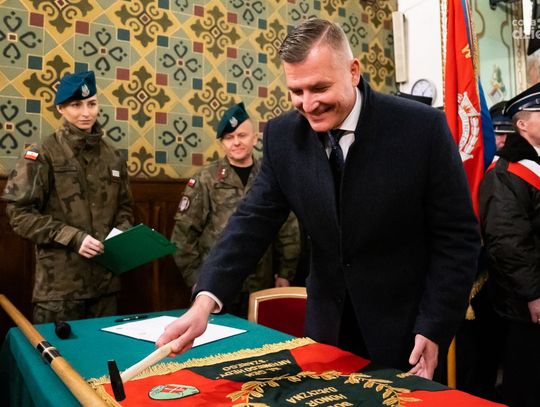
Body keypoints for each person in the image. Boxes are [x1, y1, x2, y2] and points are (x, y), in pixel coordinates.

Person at [157, 18, 480, 380]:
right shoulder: (283, 136)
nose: (308, 104)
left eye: (319, 88)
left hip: (406, 333)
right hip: (327, 333)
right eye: (296, 91)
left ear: (353, 71)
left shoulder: (421, 128)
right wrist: (204, 301)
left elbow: (457, 237)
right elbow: (251, 222)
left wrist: (434, 325)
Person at [2, 70, 134, 323]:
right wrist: (73, 237)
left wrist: (121, 234)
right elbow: (19, 214)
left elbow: (125, 207)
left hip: (106, 286)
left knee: (101, 348)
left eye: (91, 104)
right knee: (54, 349)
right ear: (61, 108)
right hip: (59, 290)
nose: (86, 113)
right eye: (76, 105)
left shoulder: (113, 157)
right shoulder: (43, 154)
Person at [170, 102, 300, 317]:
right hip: (217, 285)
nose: (236, 142)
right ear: (222, 143)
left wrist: (285, 273)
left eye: (242, 135)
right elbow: (183, 236)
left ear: (255, 138)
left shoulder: (270, 174)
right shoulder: (206, 179)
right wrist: (198, 280)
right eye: (229, 138)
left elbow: (288, 230)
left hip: (261, 284)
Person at [479, 83, 540, 407]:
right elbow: (508, 241)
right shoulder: (505, 172)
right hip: (524, 302)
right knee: (527, 381)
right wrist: (533, 294)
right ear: (522, 124)